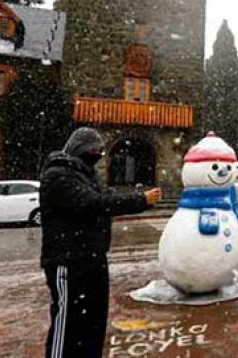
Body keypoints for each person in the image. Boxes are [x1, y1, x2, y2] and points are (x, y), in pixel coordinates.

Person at [39, 127, 161, 358]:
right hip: (68, 259)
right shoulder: (58, 175)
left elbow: (103, 199)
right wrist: (140, 199)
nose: (97, 154)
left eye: (100, 151)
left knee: (94, 318)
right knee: (68, 321)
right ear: (79, 149)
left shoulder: (87, 175)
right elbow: (93, 203)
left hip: (93, 257)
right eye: (94, 150)